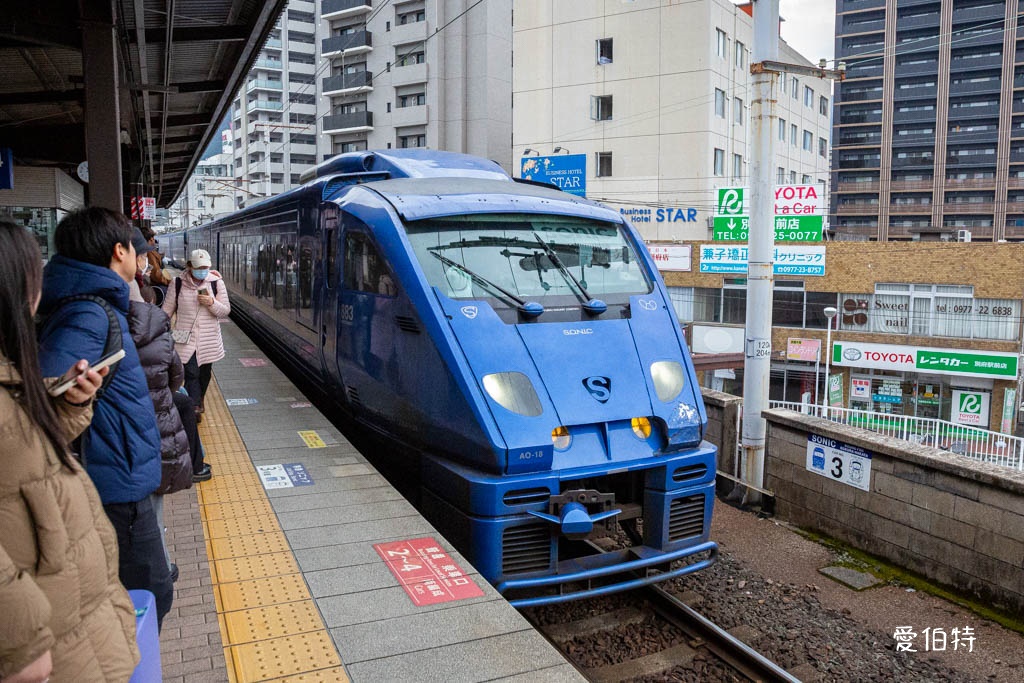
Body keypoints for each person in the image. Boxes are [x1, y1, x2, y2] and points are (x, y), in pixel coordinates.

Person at [0, 220, 140, 682]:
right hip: (46, 625)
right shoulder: (89, 313)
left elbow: (22, 446)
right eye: (32, 275)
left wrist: (70, 402)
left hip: (69, 602)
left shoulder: (10, 371)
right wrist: (18, 638)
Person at [36, 207, 174, 629]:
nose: (141, 258)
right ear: (119, 251)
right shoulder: (90, 313)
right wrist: (72, 396)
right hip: (116, 480)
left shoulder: (86, 305)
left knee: (144, 591)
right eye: (135, 249)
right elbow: (45, 387)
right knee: (148, 594)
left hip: (115, 472)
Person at [127, 233, 193, 583]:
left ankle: (156, 573)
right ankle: (161, 572)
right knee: (151, 511)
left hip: (113, 446)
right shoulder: (153, 322)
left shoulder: (84, 318)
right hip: (151, 433)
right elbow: (174, 378)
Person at [162, 248, 230, 432]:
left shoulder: (216, 283)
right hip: (184, 337)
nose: (202, 271)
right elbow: (167, 310)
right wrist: (158, 327)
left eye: (205, 267)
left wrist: (212, 303)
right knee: (191, 373)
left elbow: (225, 310)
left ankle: (199, 399)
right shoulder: (177, 283)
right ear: (190, 266)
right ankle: (193, 408)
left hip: (208, 338)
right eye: (199, 267)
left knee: (204, 374)